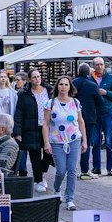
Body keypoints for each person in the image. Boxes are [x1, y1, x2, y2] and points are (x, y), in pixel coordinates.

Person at [48, 75, 86, 206]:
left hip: (74, 139)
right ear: (57, 86)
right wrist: (46, 142)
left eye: (66, 85)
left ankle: (70, 198)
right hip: (57, 141)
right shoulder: (51, 103)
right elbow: (46, 124)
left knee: (73, 169)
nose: (63, 87)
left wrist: (84, 141)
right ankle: (57, 189)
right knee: (61, 170)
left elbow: (81, 122)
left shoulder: (75, 103)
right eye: (61, 84)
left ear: (70, 87)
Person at [73, 62, 112, 180]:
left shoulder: (73, 83)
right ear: (88, 73)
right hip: (89, 118)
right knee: (86, 143)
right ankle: (85, 170)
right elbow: (100, 101)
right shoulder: (92, 85)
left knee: (74, 143)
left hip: (73, 118)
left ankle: (73, 169)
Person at [15, 69, 51, 185]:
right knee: (34, 154)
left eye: (39, 76)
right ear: (30, 79)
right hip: (31, 128)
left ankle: (42, 171)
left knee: (48, 153)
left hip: (47, 127)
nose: (37, 79)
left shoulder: (48, 91)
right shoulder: (24, 94)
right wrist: (18, 132)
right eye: (35, 77)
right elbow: (19, 113)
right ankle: (38, 180)